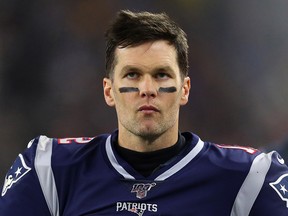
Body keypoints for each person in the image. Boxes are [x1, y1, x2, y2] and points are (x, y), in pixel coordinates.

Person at [1, 10, 288, 216]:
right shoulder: (49, 169)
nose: (147, 89)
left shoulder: (249, 177)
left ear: (185, 89)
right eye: (132, 75)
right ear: (109, 91)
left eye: (161, 75)